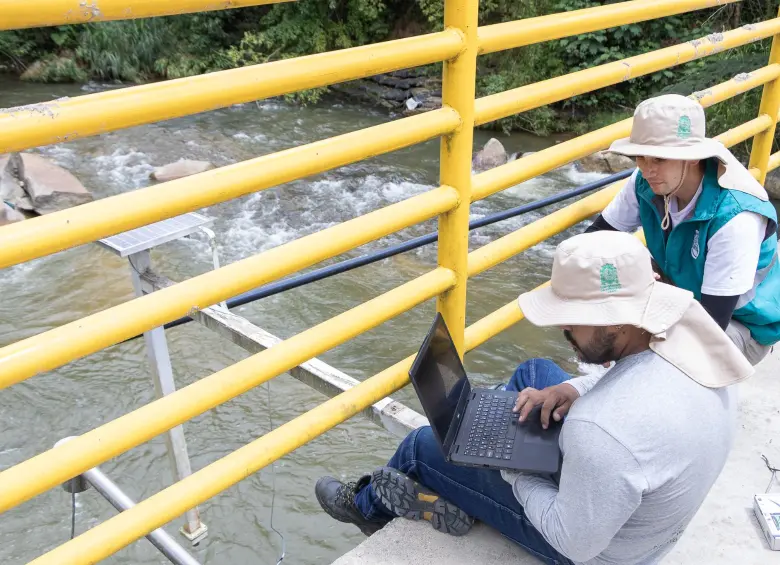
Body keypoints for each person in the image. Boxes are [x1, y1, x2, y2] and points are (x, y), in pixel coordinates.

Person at [315, 231, 753, 565]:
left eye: (571, 323)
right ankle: (474, 462)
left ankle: (365, 506)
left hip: (605, 549)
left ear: (617, 323)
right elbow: (627, 393)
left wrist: (512, 471)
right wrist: (569, 389)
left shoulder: (601, 429)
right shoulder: (690, 337)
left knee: (422, 447)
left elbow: (573, 542)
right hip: (644, 486)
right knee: (535, 374)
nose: (564, 335)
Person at [585, 94, 780, 365]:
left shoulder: (735, 217)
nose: (648, 168)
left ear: (691, 158)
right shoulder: (648, 180)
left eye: (660, 159)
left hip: (742, 325)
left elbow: (710, 329)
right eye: (640, 156)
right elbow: (594, 240)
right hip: (686, 295)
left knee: (660, 363)